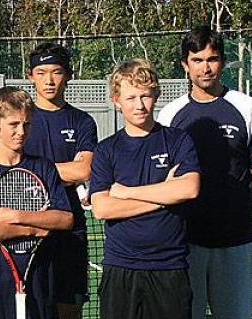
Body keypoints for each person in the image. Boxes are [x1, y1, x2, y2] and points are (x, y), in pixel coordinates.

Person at [157, 26, 252, 319]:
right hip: (185, 242)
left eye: (212, 59)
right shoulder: (170, 115)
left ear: (223, 62)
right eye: (197, 60)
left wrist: (239, 204)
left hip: (236, 239)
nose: (206, 67)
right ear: (185, 65)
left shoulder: (247, 107)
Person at [90, 58, 201, 319]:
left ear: (156, 96)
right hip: (120, 268)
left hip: (169, 268)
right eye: (131, 97)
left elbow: (189, 189)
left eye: (145, 96)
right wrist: (164, 195)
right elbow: (102, 208)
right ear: (117, 101)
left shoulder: (177, 140)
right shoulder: (107, 150)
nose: (139, 105)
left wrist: (126, 192)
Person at [0, 86, 74, 318]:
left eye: (26, 124)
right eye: (13, 124)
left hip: (40, 285)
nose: (21, 132)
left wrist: (15, 217)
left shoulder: (44, 168)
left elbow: (65, 218)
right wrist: (33, 228)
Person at [24, 42, 98, 318]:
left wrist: (33, 170)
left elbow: (83, 171)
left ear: (67, 74)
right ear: (31, 76)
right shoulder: (21, 118)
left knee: (69, 309)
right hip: (28, 228)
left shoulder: (82, 121)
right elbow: (12, 172)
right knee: (31, 308)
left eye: (56, 72)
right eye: (41, 72)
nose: (49, 80)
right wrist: (62, 171)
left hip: (71, 231)